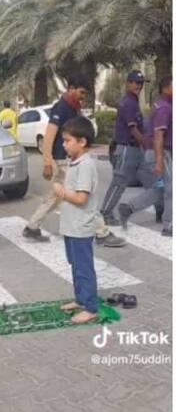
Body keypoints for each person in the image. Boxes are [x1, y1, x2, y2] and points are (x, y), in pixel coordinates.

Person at [22, 74, 126, 247]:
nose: (83, 97)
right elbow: (49, 135)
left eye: (85, 94)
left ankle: (32, 226)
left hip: (67, 158)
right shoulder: (61, 108)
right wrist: (47, 161)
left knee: (55, 196)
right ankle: (101, 233)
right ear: (70, 89)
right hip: (62, 159)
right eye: (81, 92)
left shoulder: (73, 107)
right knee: (84, 196)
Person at [54, 117, 101, 324]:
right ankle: (81, 299)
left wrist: (61, 192)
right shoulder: (75, 162)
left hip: (81, 227)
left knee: (84, 267)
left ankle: (90, 307)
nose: (64, 144)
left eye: (67, 141)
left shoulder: (86, 165)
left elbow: (81, 198)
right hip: (71, 226)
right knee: (75, 265)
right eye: (63, 140)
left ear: (82, 142)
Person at [119, 75, 172, 236]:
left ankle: (128, 208)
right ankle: (169, 225)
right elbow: (158, 136)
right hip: (161, 153)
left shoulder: (164, 105)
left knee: (159, 189)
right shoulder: (164, 108)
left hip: (159, 152)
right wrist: (158, 161)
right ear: (166, 88)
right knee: (171, 189)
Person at [101, 71, 150, 225]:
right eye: (136, 82)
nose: (139, 86)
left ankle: (161, 209)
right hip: (126, 148)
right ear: (128, 83)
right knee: (119, 183)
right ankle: (105, 213)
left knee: (152, 181)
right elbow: (133, 129)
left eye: (141, 83)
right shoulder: (128, 102)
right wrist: (146, 144)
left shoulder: (132, 101)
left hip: (133, 149)